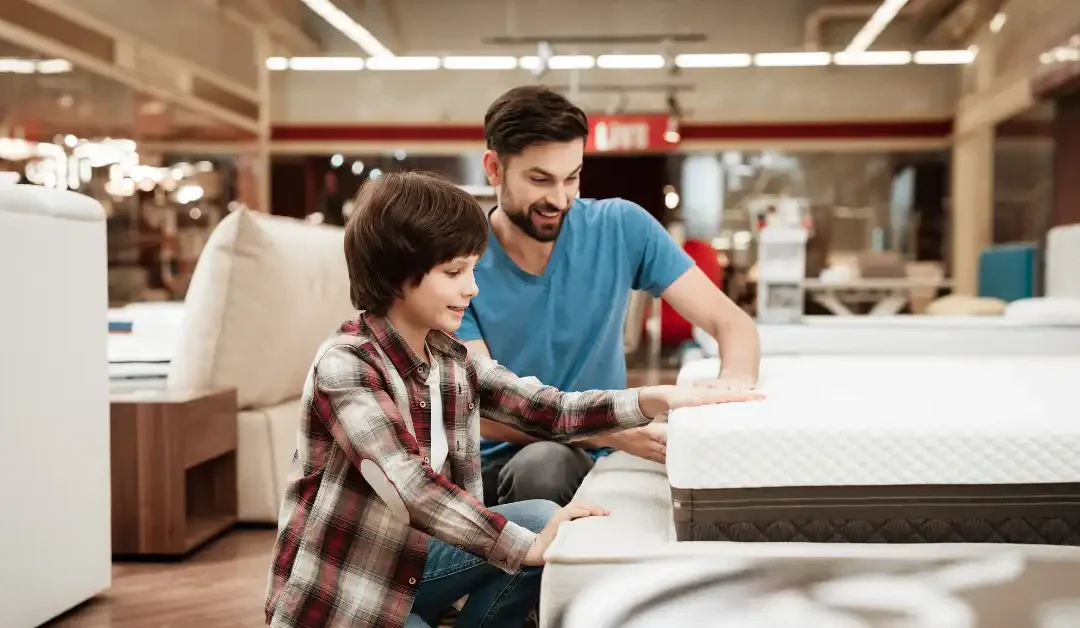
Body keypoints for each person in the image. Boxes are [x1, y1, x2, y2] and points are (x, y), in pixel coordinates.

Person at [263, 171, 763, 628]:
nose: (472, 288)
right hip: (349, 592)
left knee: (547, 521)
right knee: (533, 536)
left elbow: (545, 408)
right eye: (454, 273)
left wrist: (652, 399)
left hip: (416, 563)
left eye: (473, 270)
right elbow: (409, 489)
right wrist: (522, 545)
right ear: (398, 274)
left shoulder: (449, 356)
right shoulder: (347, 364)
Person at [456, 85, 764, 507]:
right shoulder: (461, 261)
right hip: (502, 462)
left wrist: (732, 397)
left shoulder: (620, 226)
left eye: (572, 177)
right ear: (494, 168)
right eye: (539, 179)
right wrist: (609, 430)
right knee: (545, 463)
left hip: (599, 452)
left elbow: (733, 325)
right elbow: (482, 405)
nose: (560, 199)